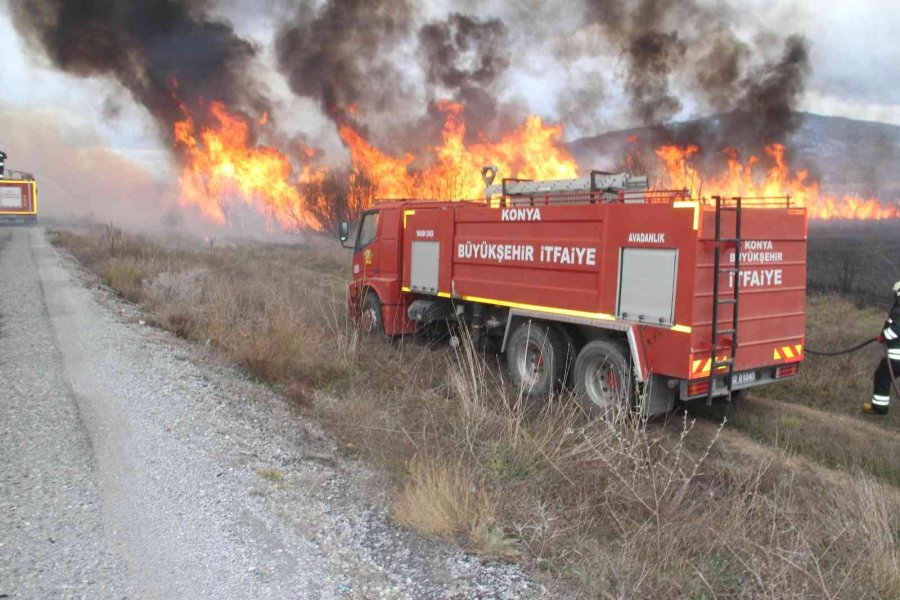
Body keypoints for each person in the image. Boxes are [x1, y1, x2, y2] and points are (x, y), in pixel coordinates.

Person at [863, 280, 900, 415]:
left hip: (896, 358)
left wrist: (883, 336)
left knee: (883, 375)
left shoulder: (898, 312)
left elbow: (895, 331)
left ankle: (879, 407)